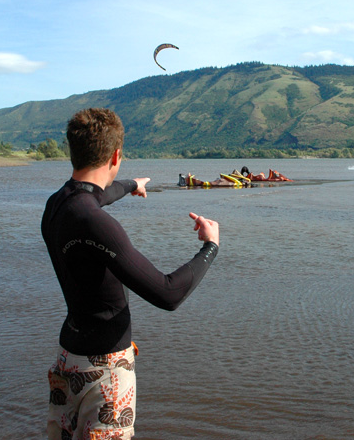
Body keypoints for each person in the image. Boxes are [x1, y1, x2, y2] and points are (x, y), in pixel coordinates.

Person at [41, 108, 220, 440]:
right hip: (105, 371)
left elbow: (97, 194)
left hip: (68, 360)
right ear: (116, 155)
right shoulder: (98, 224)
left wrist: (132, 184)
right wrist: (210, 246)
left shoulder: (56, 205)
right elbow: (168, 294)